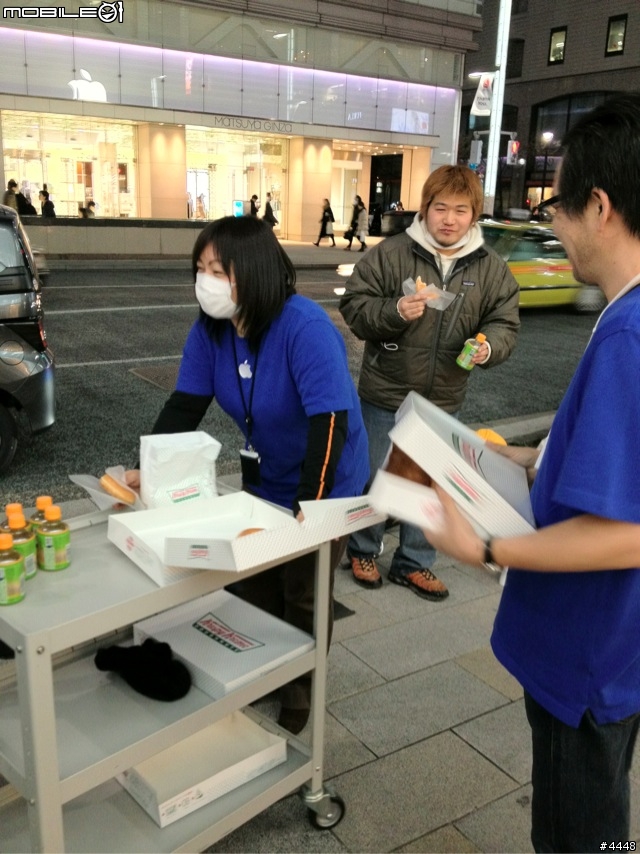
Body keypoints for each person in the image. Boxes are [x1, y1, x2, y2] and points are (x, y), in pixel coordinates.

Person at [424, 94, 640, 852]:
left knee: (581, 836)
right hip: (615, 649)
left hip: (583, 652)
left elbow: (626, 534)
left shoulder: (628, 335)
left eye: (561, 208)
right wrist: (526, 456)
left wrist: (485, 547)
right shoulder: (625, 316)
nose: (555, 225)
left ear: (601, 206)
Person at [125, 215, 369, 734]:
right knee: (256, 581)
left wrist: (312, 509)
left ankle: (302, 685)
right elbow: (184, 406)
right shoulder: (211, 330)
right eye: (200, 268)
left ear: (252, 270)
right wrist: (147, 469)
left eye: (218, 268)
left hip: (326, 477)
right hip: (265, 475)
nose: (205, 280)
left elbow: (331, 422)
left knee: (304, 587)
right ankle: (263, 666)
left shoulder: (305, 327)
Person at [339, 165, 520, 599]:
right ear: (426, 208)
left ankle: (414, 562)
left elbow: (505, 323)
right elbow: (354, 306)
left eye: (461, 210)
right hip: (386, 389)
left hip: (444, 395)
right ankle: (362, 548)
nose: (449, 219)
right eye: (441, 208)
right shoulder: (392, 253)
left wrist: (488, 347)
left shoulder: (491, 268)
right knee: (373, 475)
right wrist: (395, 311)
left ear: (474, 214)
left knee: (431, 481)